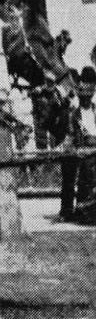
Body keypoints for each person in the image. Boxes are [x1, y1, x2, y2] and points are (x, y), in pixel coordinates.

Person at [60, 66, 96, 221]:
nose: (86, 99)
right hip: (82, 152)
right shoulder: (74, 115)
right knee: (78, 165)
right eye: (83, 97)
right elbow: (69, 136)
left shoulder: (95, 111)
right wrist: (75, 148)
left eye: (89, 96)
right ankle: (77, 208)